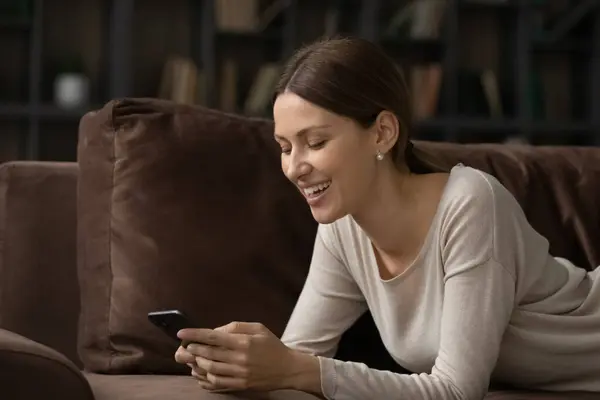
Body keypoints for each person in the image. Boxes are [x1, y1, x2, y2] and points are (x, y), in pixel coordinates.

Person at [174, 36, 600, 400]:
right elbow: (299, 356)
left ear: (382, 133)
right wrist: (239, 365)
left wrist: (296, 370)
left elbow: (454, 391)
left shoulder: (470, 204)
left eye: (315, 142)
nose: (294, 167)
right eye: (285, 147)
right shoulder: (342, 227)